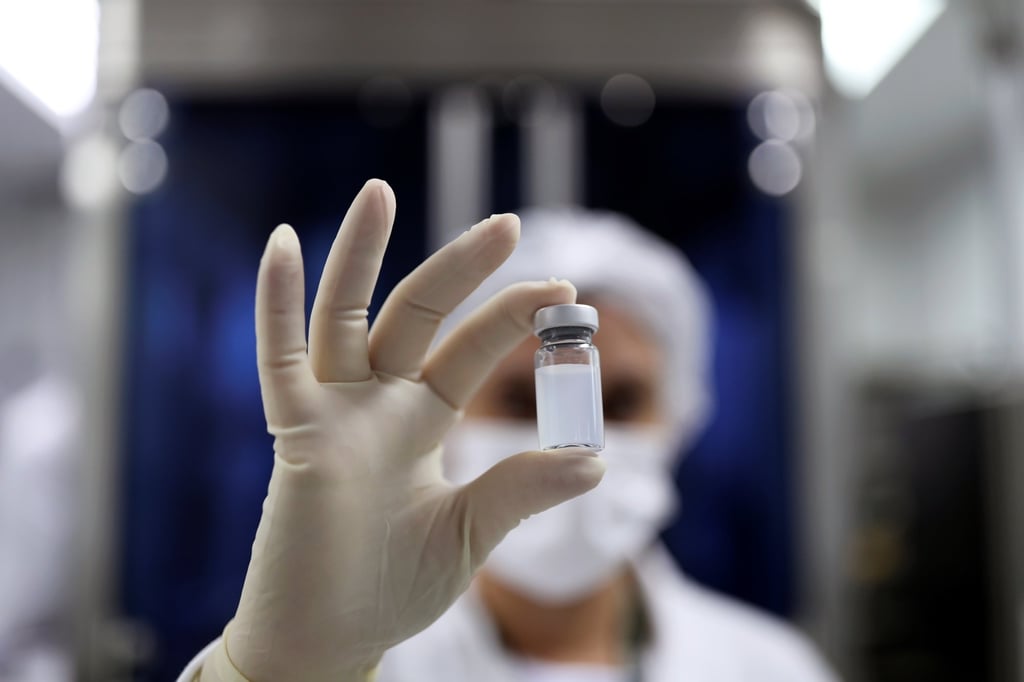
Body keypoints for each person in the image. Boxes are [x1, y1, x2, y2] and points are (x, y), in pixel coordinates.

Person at [180, 180, 837, 681]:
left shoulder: (770, 666)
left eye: (626, 400)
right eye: (522, 399)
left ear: (682, 415)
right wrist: (283, 672)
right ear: (451, 420)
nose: (573, 441)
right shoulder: (371, 662)